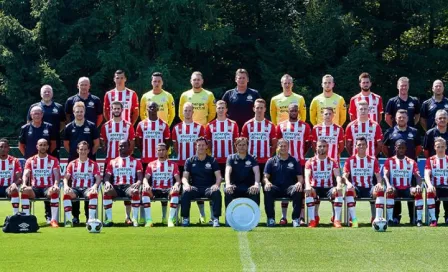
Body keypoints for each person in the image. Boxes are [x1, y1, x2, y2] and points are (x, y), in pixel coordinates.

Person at [171, 102, 207, 222]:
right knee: (181, 190)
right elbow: (175, 146)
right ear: (182, 112)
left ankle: (202, 215)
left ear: (193, 112)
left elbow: (203, 145)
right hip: (181, 164)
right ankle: (180, 216)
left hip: (196, 164)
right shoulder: (176, 128)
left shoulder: (200, 128)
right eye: (185, 110)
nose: (187, 112)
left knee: (198, 187)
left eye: (189, 110)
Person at [276, 103, 311, 224]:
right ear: (288, 111)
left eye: (296, 110)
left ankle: (301, 217)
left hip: (300, 162)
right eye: (292, 110)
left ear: (298, 112)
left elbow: (307, 145)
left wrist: (299, 155)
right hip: (284, 162)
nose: (294, 112)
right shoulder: (281, 126)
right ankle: (283, 217)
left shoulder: (305, 126)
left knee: (299, 190)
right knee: (284, 186)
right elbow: (279, 143)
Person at [181, 137, 222, 227]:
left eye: (203, 145)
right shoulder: (190, 161)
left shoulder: (212, 160)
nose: (201, 147)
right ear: (196, 146)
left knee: (216, 192)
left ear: (207, 146)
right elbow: (184, 178)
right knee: (185, 193)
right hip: (195, 188)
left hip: (208, 188)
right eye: (199, 145)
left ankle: (215, 218)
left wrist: (216, 185)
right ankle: (185, 218)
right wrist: (187, 185)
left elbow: (219, 177)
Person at [342, 137, 384, 227]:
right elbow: (344, 177)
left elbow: (378, 176)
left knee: (380, 190)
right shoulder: (350, 160)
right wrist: (348, 183)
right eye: (359, 145)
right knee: (349, 190)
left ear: (367, 146)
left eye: (363, 144)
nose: (361, 146)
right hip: (356, 188)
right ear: (355, 147)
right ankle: (354, 220)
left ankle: (377, 219)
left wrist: (379, 183)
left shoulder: (373, 160)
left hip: (369, 188)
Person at [263, 139, 304, 227]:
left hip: (289, 188)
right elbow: (265, 177)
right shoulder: (271, 161)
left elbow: (300, 178)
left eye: (285, 146)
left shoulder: (294, 161)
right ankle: (271, 218)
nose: (283, 148)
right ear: (277, 147)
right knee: (268, 190)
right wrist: (267, 182)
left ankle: (295, 219)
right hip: (276, 188)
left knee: (298, 189)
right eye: (281, 146)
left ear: (288, 147)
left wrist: (299, 183)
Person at [103, 140, 144, 227]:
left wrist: (138, 182)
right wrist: (107, 182)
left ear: (129, 147)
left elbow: (140, 176)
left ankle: (134, 219)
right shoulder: (112, 162)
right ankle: (109, 219)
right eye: (120, 146)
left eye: (124, 146)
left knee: (135, 192)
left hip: (128, 187)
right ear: (118, 148)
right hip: (116, 187)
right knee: (106, 192)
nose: (122, 148)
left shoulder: (136, 162)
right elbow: (106, 177)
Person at [21, 139, 60, 227]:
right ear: (37, 146)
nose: (42, 147)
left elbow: (57, 174)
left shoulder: (53, 160)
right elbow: (26, 174)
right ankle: (26, 219)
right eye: (41, 145)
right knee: (25, 191)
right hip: (35, 188)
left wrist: (56, 184)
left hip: (48, 187)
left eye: (44, 145)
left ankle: (53, 220)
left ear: (47, 147)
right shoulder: (30, 160)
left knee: (54, 190)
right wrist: (24, 183)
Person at [383, 140, 423, 226]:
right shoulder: (389, 161)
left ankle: (418, 219)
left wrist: (418, 185)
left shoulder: (412, 162)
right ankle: (390, 219)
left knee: (418, 191)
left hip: (407, 189)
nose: (401, 149)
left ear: (406, 149)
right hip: (395, 188)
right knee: (390, 191)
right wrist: (389, 185)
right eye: (399, 147)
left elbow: (418, 176)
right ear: (395, 148)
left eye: (403, 148)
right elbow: (385, 175)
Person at [304, 139, 343, 228]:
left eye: (324, 146)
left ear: (327, 148)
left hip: (328, 187)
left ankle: (336, 220)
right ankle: (313, 219)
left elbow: (337, 175)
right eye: (320, 146)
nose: (322, 148)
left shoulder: (333, 161)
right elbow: (307, 176)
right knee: (309, 191)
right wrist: (308, 185)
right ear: (316, 148)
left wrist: (339, 185)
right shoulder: (310, 161)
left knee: (338, 191)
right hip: (315, 187)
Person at [62, 141, 101, 227]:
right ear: (77, 150)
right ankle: (71, 219)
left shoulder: (93, 164)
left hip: (87, 188)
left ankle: (90, 219)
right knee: (67, 193)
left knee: (93, 193)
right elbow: (66, 177)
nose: (83, 151)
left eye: (85, 149)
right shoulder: (72, 164)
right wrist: (65, 186)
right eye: (81, 149)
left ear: (88, 151)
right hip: (75, 188)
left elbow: (98, 178)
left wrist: (95, 186)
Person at [142, 143, 181, 227]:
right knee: (145, 191)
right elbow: (145, 178)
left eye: (163, 150)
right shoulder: (151, 164)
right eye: (159, 150)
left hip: (168, 189)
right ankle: (149, 220)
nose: (161, 152)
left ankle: (170, 219)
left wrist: (176, 185)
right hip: (155, 189)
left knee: (175, 191)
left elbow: (178, 180)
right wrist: (146, 184)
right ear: (156, 151)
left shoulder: (173, 164)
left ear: (167, 151)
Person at [27, 85, 65, 158]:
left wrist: (53, 132)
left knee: (54, 163)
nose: (47, 93)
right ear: (41, 94)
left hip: (54, 141)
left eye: (49, 92)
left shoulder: (59, 107)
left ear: (52, 94)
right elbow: (29, 123)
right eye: (45, 92)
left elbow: (63, 123)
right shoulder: (34, 107)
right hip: (37, 141)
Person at [241, 98, 277, 173]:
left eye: (261, 108)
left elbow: (274, 144)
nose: (259, 110)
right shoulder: (247, 125)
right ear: (254, 109)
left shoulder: (270, 125)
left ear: (265, 109)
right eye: (257, 108)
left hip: (266, 160)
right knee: (251, 183)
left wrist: (269, 155)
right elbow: (242, 143)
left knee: (265, 182)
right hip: (250, 160)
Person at [205, 100, 239, 175]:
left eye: (223, 108)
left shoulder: (233, 124)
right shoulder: (210, 125)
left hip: (230, 159)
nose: (221, 110)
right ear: (216, 109)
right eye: (219, 108)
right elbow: (208, 143)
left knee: (229, 182)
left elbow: (235, 142)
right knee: (216, 183)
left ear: (226, 110)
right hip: (215, 159)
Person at [225, 137, 260, 208]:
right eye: (239, 145)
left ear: (247, 146)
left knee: (255, 191)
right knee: (228, 190)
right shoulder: (231, 158)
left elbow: (257, 172)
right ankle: (229, 217)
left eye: (244, 145)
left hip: (249, 187)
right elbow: (227, 171)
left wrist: (256, 184)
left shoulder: (253, 158)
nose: (242, 147)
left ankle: (254, 217)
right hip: (234, 186)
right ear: (236, 146)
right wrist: (228, 184)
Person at [136, 101, 171, 171]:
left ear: (158, 109)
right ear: (147, 109)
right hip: (146, 159)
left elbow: (167, 141)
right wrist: (144, 150)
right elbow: (138, 141)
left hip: (159, 160)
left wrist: (162, 153)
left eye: (154, 107)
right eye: (150, 107)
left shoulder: (164, 124)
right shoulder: (141, 124)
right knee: (146, 180)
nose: (152, 108)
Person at [424, 137, 448, 227]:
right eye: (438, 147)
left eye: (442, 146)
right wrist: (429, 185)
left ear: (446, 147)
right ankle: (433, 219)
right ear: (434, 147)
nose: (440, 149)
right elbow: (426, 174)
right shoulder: (430, 160)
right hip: (435, 187)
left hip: (446, 186)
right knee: (430, 191)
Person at [0, 138, 22, 214]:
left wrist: (14, 184)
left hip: (8, 188)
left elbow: (19, 178)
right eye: (1, 147)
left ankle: (15, 216)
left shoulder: (14, 161)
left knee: (15, 189)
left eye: (5, 147)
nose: (3, 149)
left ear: (8, 148)